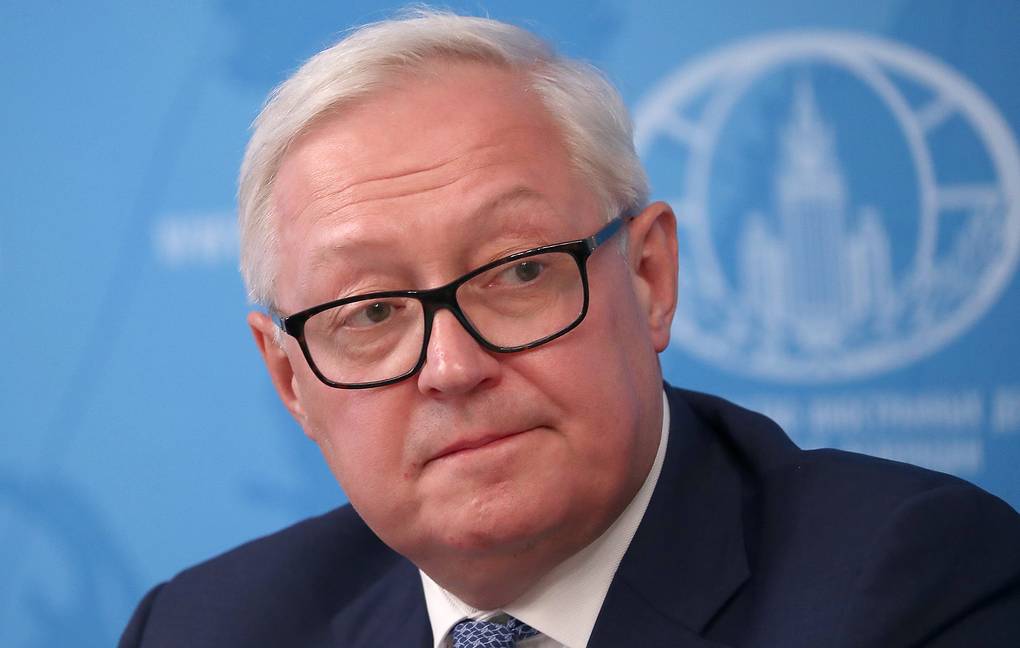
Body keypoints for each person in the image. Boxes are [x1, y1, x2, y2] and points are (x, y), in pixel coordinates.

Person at [120, 10, 1020, 648]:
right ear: (290, 380)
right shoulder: (203, 628)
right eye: (373, 312)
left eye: (519, 271)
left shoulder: (909, 589)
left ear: (650, 276)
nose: (452, 366)